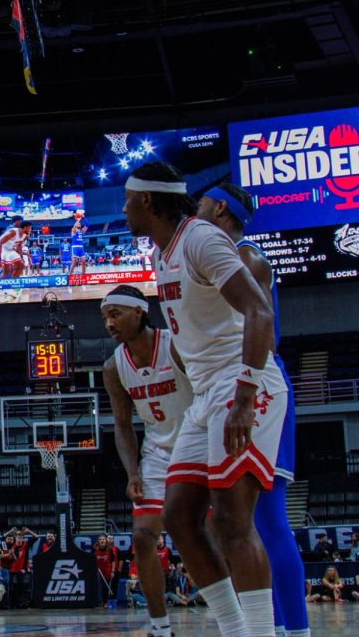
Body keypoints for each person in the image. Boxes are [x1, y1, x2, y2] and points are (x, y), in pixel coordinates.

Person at [124, 161, 288, 637]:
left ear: (149, 200)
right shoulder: (162, 255)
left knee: (234, 521)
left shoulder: (201, 238)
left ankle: (259, 633)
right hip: (206, 394)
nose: (124, 208)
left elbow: (258, 310)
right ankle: (235, 630)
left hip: (242, 385)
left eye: (129, 199)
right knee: (177, 517)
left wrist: (244, 396)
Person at [198, 182, 311, 637]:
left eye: (202, 205)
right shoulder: (224, 258)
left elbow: (267, 333)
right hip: (241, 383)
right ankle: (277, 625)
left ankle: (295, 629)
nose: (195, 212)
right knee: (242, 522)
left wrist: (242, 393)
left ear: (221, 208)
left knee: (267, 518)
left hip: (259, 384)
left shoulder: (245, 257)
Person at [101, 283, 193, 637]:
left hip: (195, 442)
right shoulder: (113, 367)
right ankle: (160, 626)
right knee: (141, 537)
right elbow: (123, 426)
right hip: (157, 451)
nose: (109, 323)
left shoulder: (176, 346)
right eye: (105, 317)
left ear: (138, 312)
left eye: (115, 314)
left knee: (215, 534)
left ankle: (238, 613)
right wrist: (132, 471)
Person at [69, 211, 89, 277]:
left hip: (81, 247)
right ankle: (70, 275)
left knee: (83, 261)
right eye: (78, 223)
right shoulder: (73, 230)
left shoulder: (81, 231)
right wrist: (79, 219)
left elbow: (87, 225)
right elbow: (75, 225)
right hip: (75, 247)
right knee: (74, 262)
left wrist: (84, 217)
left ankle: (84, 275)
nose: (79, 224)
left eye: (80, 223)